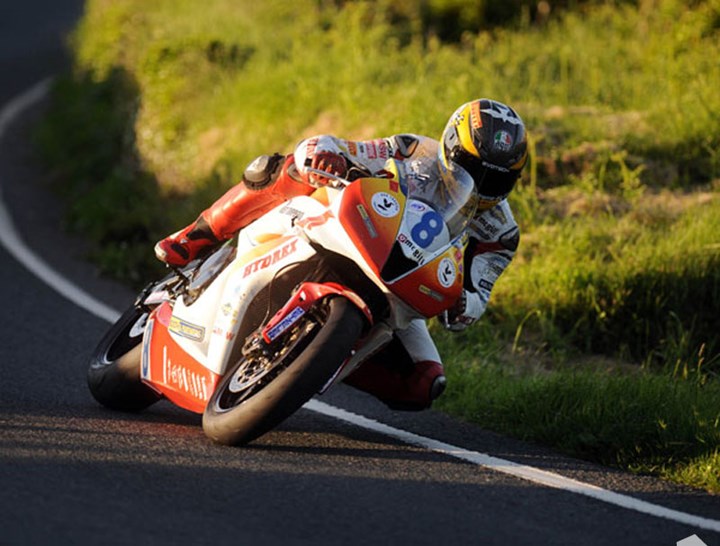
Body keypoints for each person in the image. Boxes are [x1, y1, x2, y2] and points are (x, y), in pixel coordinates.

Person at [155, 98, 528, 411]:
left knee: (425, 384)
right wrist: (325, 154)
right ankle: (194, 237)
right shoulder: (414, 151)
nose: (479, 184)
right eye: (472, 167)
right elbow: (348, 149)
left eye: (495, 180)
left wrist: (463, 305)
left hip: (399, 287)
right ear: (451, 147)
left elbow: (476, 296)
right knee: (283, 168)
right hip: (350, 229)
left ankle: (309, 363)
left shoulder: (502, 234)